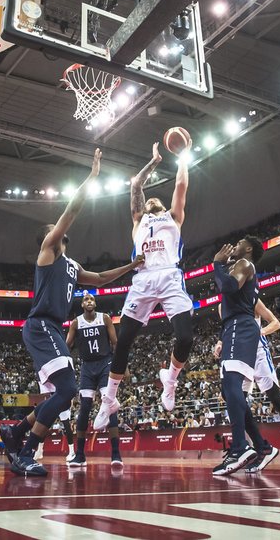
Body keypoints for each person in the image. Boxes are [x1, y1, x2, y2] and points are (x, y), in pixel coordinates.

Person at [0, 149, 144, 477]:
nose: (60, 228)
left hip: (51, 329)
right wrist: (91, 177)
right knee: (66, 392)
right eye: (55, 228)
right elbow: (71, 211)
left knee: (64, 398)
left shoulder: (71, 265)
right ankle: (24, 452)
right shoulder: (49, 252)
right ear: (50, 236)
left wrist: (131, 265)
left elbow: (102, 279)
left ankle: (15, 431)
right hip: (41, 326)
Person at [94, 143, 192, 429]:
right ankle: (109, 400)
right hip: (143, 278)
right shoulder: (139, 220)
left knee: (185, 338)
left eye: (154, 201)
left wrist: (182, 156)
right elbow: (136, 184)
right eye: (147, 201)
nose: (150, 202)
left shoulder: (173, 217)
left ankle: (170, 380)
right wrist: (154, 161)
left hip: (170, 275)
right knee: (123, 340)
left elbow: (182, 184)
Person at [213, 298, 280, 469]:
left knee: (276, 399)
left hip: (258, 354)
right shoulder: (222, 306)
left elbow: (275, 323)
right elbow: (226, 329)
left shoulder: (251, 299)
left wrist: (258, 332)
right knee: (236, 402)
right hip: (240, 355)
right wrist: (220, 343)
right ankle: (261, 449)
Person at [210, 238, 277, 476]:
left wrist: (216, 264)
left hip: (240, 325)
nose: (234, 245)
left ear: (248, 249)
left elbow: (228, 287)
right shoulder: (239, 266)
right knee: (229, 390)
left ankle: (240, 448)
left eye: (239, 243)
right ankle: (261, 446)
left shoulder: (245, 264)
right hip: (234, 327)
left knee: (231, 384)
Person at [66, 293, 121, 468]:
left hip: (105, 364)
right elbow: (67, 344)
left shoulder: (104, 318)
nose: (89, 301)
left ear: (95, 303)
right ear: (82, 304)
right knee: (84, 408)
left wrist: (121, 364)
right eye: (86, 300)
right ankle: (80, 454)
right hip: (87, 367)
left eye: (92, 299)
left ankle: (115, 454)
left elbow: (115, 342)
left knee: (110, 406)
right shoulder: (76, 322)